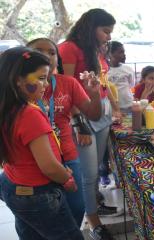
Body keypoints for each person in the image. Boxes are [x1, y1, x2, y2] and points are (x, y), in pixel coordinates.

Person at [0, 47, 84, 239]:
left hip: (12, 182)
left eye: (47, 78)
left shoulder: (7, 107)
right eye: (40, 78)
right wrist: (66, 178)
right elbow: (48, 166)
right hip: (38, 193)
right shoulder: (29, 114)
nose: (46, 84)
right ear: (18, 80)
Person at [27, 37, 103, 227]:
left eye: (52, 53)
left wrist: (94, 94)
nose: (46, 56)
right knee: (36, 217)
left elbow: (93, 115)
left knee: (76, 208)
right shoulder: (18, 86)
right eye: (39, 51)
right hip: (31, 162)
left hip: (67, 157)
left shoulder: (68, 83)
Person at [58, 8, 118, 239]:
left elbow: (102, 83)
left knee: (96, 167)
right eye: (105, 31)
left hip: (101, 110)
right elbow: (66, 88)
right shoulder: (68, 49)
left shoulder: (95, 48)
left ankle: (93, 205)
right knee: (89, 173)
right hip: (82, 115)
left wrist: (113, 108)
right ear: (90, 27)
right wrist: (77, 122)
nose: (109, 37)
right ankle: (94, 223)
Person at [108, 41, 135, 112]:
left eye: (124, 52)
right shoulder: (105, 71)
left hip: (128, 104)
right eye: (120, 52)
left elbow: (131, 85)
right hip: (112, 107)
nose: (124, 55)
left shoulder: (128, 69)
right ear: (110, 54)